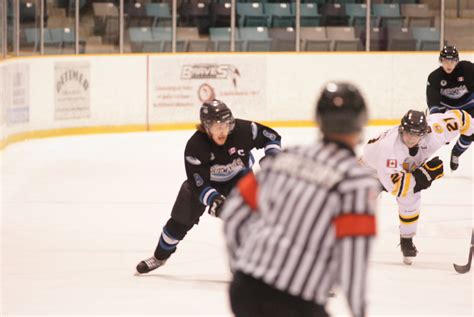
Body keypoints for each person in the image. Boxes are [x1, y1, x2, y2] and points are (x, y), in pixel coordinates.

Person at [220, 82, 380, 317]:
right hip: (297, 301)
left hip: (244, 291)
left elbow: (234, 214)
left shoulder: (287, 158)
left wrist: (243, 269)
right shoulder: (357, 181)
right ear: (360, 124)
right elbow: (353, 257)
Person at [135, 99, 282, 274]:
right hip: (207, 184)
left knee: (252, 221)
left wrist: (273, 157)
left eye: (225, 125)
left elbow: (271, 137)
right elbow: (199, 184)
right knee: (180, 221)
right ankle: (159, 257)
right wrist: (215, 200)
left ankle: (246, 266)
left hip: (239, 179)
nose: (222, 130)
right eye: (216, 126)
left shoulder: (244, 130)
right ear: (206, 127)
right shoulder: (195, 147)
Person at [361, 108, 474, 265]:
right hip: (370, 172)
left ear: (424, 132)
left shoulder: (436, 130)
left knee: (411, 197)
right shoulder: (389, 149)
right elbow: (398, 188)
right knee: (356, 207)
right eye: (408, 132)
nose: (411, 138)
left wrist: (471, 130)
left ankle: (407, 241)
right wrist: (426, 175)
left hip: (403, 169)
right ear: (402, 129)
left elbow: (461, 118)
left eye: (416, 134)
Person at [426, 45, 474, 170]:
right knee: (437, 136)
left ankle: (456, 153)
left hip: (470, 106)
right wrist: (438, 123)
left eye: (452, 61)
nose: (449, 64)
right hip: (448, 110)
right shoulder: (434, 77)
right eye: (446, 61)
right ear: (440, 61)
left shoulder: (468, 69)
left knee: (470, 133)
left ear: (457, 61)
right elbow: (433, 103)